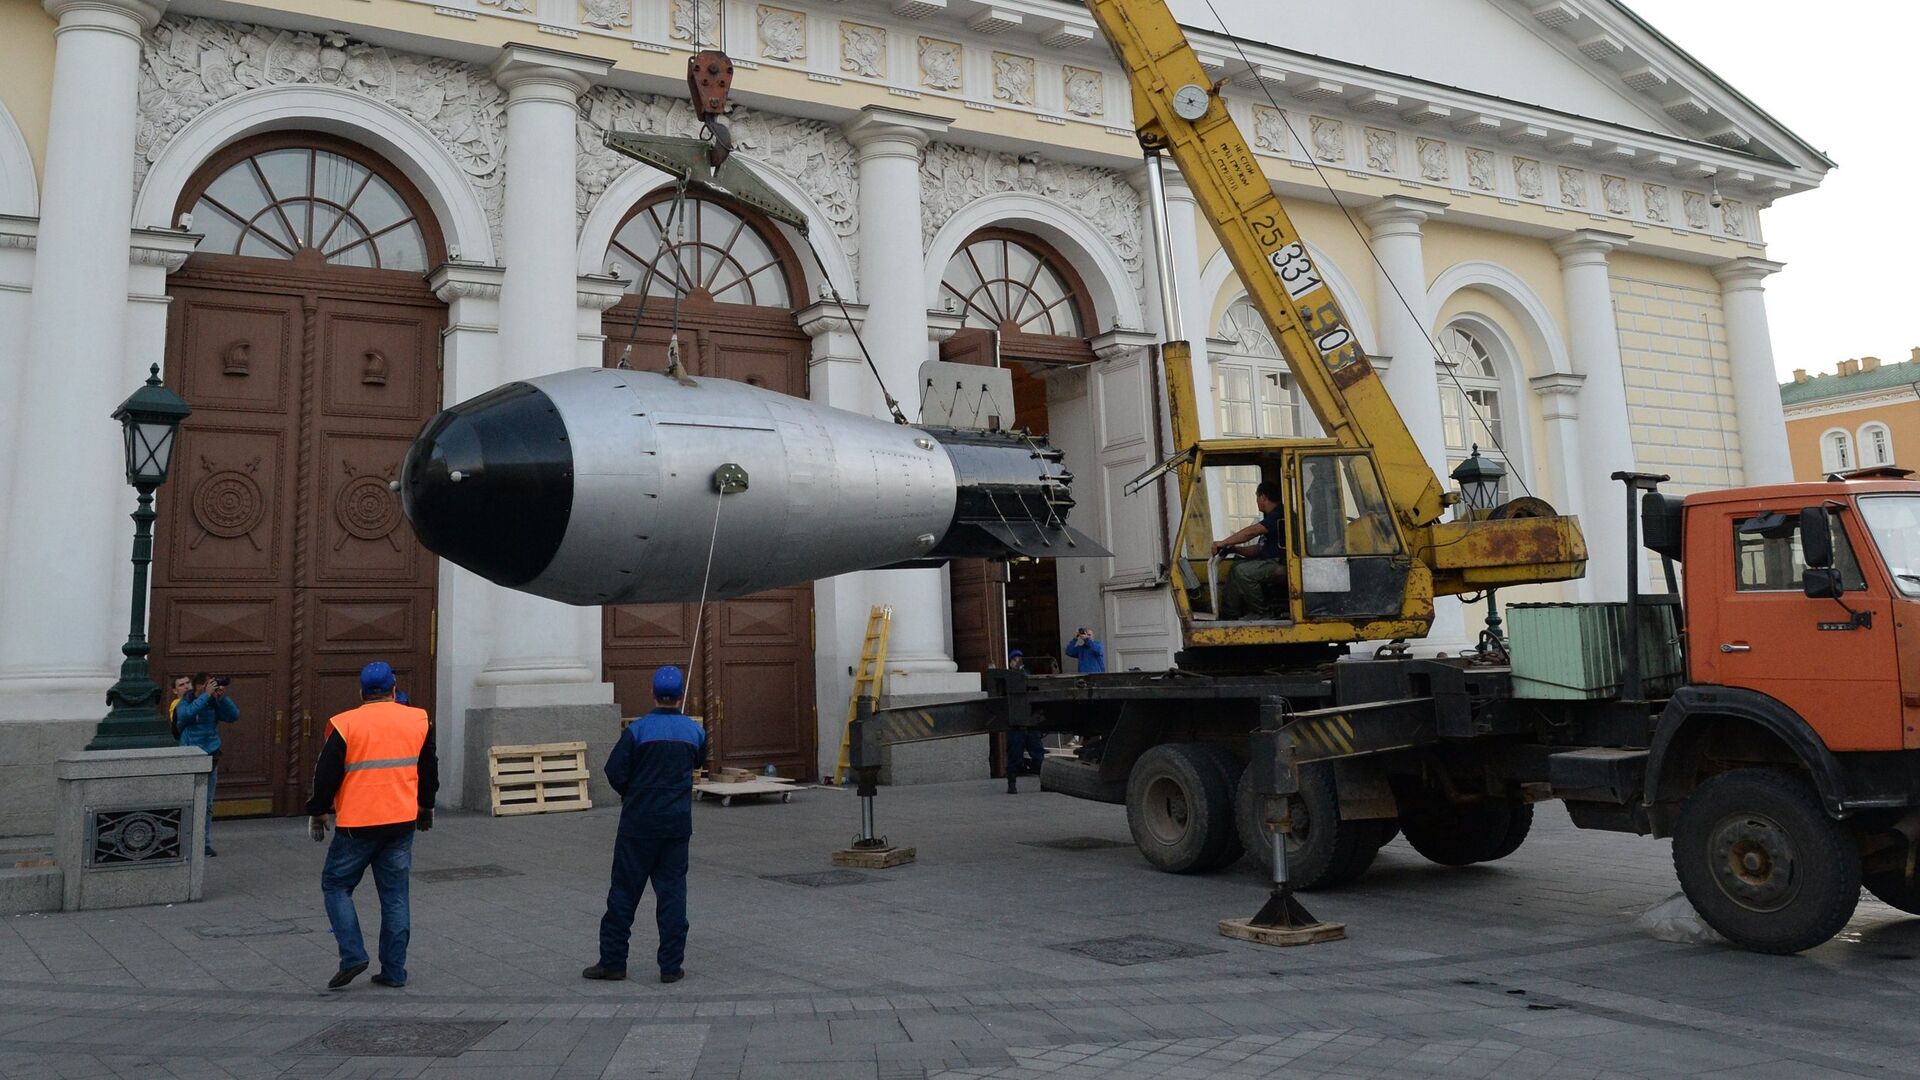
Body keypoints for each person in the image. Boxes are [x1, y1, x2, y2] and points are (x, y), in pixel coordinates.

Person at [306, 661, 437, 991]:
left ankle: (352, 956)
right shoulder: (418, 719)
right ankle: (394, 971)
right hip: (401, 822)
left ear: (361, 692)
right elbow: (428, 770)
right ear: (394, 691)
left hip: (356, 824)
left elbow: (325, 775)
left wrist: (319, 811)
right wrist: (426, 807)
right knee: (395, 897)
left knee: (336, 886)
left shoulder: (345, 724)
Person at [585, 665, 707, 985]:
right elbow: (699, 761)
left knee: (624, 893)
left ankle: (613, 962)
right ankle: (670, 966)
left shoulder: (637, 731)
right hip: (676, 825)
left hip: (638, 825)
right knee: (672, 894)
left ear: (652, 693)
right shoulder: (694, 731)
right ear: (681, 696)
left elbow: (614, 770)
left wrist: (633, 793)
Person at [173, 672, 240, 857]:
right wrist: (205, 696)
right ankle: (183, 841)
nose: (211, 687)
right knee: (188, 802)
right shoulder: (185, 702)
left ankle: (204, 843)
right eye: (208, 684)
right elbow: (185, 715)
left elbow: (234, 716)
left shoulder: (213, 702)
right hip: (191, 756)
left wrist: (222, 698)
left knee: (208, 804)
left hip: (210, 754)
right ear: (199, 686)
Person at [1212, 480, 1289, 620]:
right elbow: (1258, 549)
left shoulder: (1279, 514)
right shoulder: (1272, 517)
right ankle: (1230, 615)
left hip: (1282, 564)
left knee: (1243, 572)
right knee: (1236, 566)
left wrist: (1224, 542)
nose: (1257, 501)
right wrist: (1234, 549)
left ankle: (1261, 612)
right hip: (1272, 562)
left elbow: (1252, 532)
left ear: (1263, 497)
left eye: (1257, 497)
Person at [1002, 650, 1046, 794]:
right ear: (1010, 662)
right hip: (1016, 722)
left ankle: (1044, 782)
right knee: (1014, 754)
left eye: (1020, 659)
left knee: (1038, 754)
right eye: (1015, 659)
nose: (1018, 661)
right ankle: (1012, 783)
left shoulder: (1027, 675)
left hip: (1030, 721)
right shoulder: (1007, 677)